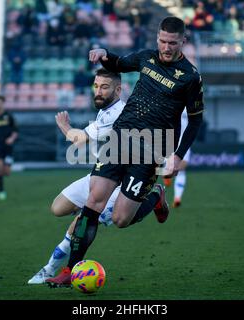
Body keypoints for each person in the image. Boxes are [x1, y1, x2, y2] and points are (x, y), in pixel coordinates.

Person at [46, 16, 204, 287]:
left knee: (120, 218)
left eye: (173, 43)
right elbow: (118, 63)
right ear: (157, 39)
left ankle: (155, 197)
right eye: (163, 41)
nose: (166, 48)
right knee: (93, 203)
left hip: (154, 147)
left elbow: (196, 118)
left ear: (183, 42)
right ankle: (71, 270)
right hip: (121, 139)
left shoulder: (190, 77)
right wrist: (104, 55)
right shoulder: (146, 58)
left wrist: (177, 155)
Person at [28, 68, 168, 284]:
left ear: (118, 89)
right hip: (104, 171)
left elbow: (79, 139)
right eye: (96, 86)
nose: (98, 92)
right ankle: (153, 195)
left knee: (101, 219)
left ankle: (52, 268)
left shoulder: (117, 113)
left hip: (123, 180)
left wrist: (65, 127)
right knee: (58, 208)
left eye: (104, 87)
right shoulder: (105, 110)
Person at [163, 109, 191, 208]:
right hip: (172, 137)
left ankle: (177, 198)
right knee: (171, 166)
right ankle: (165, 174)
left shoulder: (191, 100)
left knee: (181, 168)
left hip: (183, 139)